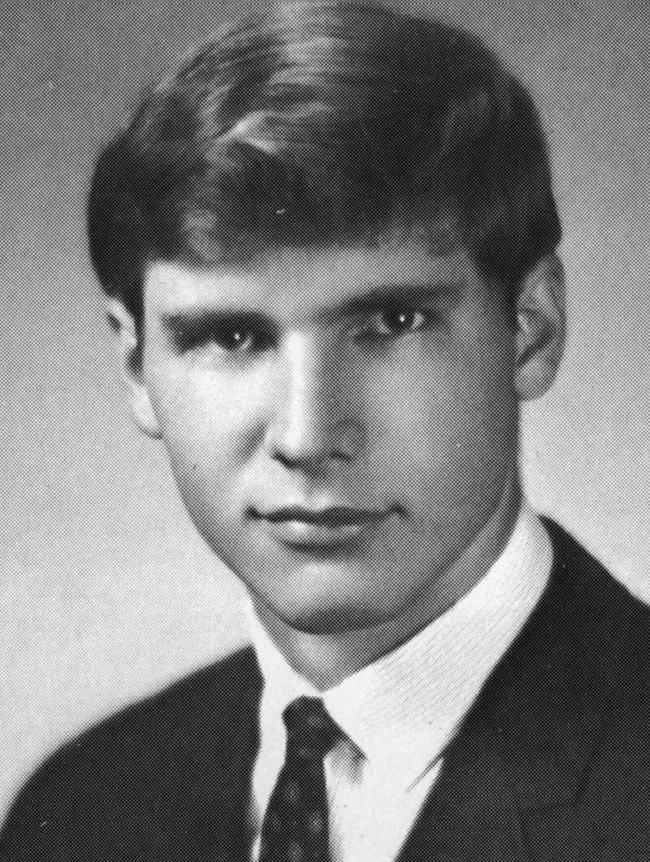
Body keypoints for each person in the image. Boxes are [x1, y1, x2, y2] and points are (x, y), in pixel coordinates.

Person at [2, 3, 650, 860]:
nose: (307, 437)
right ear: (135, 367)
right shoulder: (80, 812)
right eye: (233, 336)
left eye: (392, 321)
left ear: (530, 329)